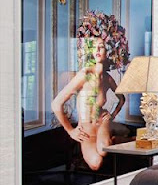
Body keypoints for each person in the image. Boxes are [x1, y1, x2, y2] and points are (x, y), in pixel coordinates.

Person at [52, 37, 125, 171]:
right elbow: (56, 104)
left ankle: (111, 138)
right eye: (94, 47)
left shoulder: (108, 78)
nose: (97, 50)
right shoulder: (84, 75)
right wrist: (70, 131)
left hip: (102, 123)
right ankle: (115, 139)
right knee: (96, 163)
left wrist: (113, 115)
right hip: (87, 131)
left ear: (107, 52)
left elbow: (122, 99)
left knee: (103, 150)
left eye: (101, 46)